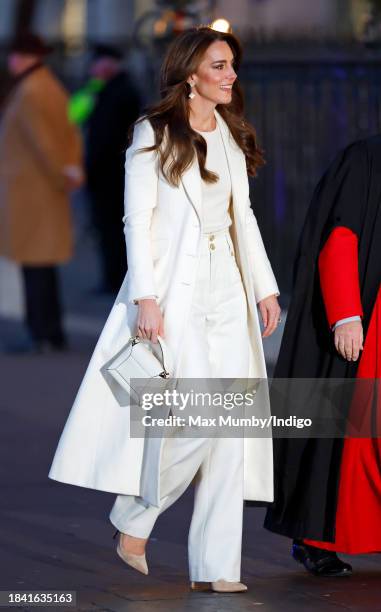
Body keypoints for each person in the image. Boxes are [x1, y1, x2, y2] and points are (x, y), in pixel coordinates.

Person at [48, 26, 280, 592]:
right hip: (175, 293)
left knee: (230, 425)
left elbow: (241, 216)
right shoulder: (152, 134)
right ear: (191, 74)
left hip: (227, 285)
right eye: (220, 67)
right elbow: (137, 220)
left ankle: (218, 567)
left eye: (231, 66)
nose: (231, 76)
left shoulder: (227, 132)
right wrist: (146, 298)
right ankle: (136, 514)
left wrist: (265, 288)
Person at [264, 138, 380, 576]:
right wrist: (347, 313)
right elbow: (340, 237)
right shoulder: (366, 158)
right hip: (367, 322)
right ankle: (317, 538)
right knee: (350, 437)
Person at [0, 32, 83, 353]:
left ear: (24, 57)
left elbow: (45, 143)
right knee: (40, 266)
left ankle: (43, 334)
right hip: (39, 190)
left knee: (36, 266)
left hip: (34, 191)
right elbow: (66, 135)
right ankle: (48, 333)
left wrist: (63, 176)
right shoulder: (44, 86)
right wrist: (70, 171)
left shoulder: (33, 90)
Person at [85, 44, 140, 293]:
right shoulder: (106, 90)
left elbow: (107, 137)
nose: (92, 69)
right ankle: (112, 278)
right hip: (107, 172)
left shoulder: (121, 92)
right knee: (108, 229)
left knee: (113, 229)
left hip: (112, 174)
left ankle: (115, 280)